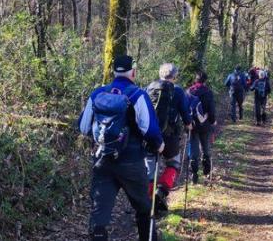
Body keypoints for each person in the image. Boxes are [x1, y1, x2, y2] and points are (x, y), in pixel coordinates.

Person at [78, 55, 164, 241]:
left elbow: (84, 128)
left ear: (113, 71)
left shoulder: (97, 94)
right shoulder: (138, 95)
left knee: (99, 213)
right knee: (143, 207)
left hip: (103, 160)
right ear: (133, 71)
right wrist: (159, 144)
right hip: (131, 162)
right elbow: (149, 129)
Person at [145, 63, 192, 213]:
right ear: (175, 76)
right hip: (170, 137)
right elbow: (185, 113)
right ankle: (162, 191)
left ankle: (148, 201)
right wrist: (189, 124)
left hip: (151, 136)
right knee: (174, 163)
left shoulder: (149, 88)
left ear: (160, 74)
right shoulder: (178, 91)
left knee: (149, 169)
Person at [187, 71, 217, 184]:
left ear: (196, 79)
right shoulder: (208, 92)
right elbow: (212, 110)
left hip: (192, 125)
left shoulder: (188, 91)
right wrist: (213, 121)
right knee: (205, 148)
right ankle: (206, 172)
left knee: (193, 150)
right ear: (205, 80)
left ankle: (193, 175)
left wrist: (186, 123)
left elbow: (184, 109)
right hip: (205, 125)